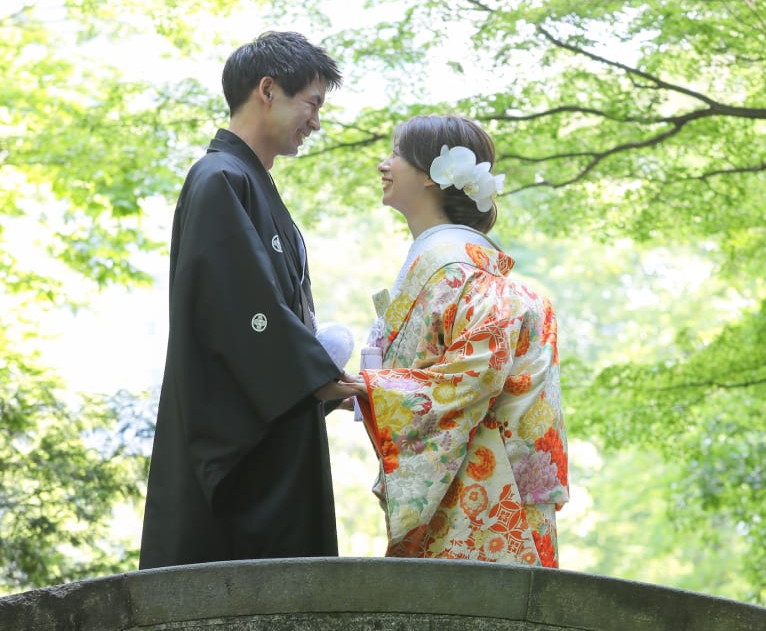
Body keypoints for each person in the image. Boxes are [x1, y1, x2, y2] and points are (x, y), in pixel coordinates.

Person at [139, 30, 353, 569]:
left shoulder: (246, 180)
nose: (316, 122)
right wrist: (314, 376)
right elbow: (237, 309)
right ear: (267, 89)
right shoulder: (219, 178)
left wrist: (315, 381)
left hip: (273, 415)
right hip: (243, 439)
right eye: (312, 103)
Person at [337, 114, 569, 567]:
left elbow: (473, 375)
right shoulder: (458, 269)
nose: (384, 165)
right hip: (462, 481)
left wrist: (371, 388)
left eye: (396, 155)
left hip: (484, 488)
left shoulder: (463, 273)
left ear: (431, 175)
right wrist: (368, 394)